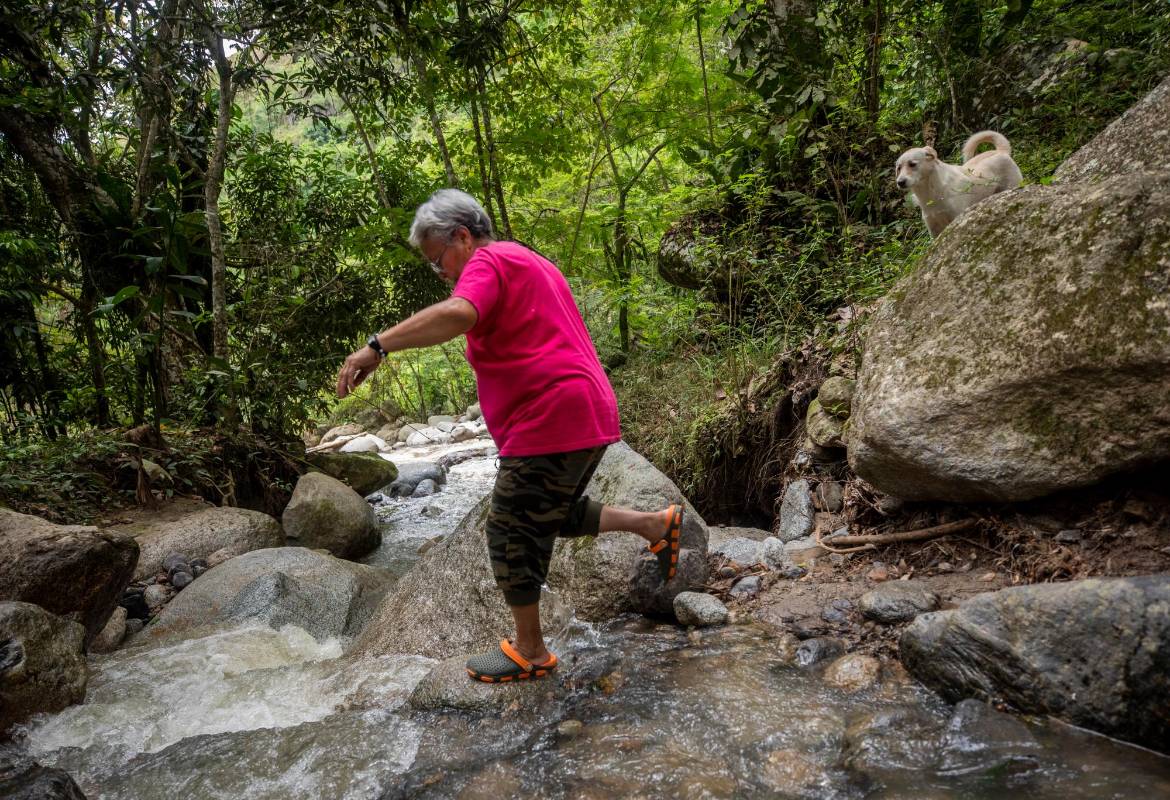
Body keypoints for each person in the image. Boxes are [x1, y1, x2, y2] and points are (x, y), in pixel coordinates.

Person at [335, 189, 683, 684]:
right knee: (546, 513)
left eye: (439, 261)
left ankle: (531, 651)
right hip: (579, 410)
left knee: (509, 527)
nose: (443, 274)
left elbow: (458, 314)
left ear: (461, 235)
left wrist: (377, 346)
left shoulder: (489, 260)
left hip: (554, 415)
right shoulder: (524, 259)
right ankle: (653, 525)